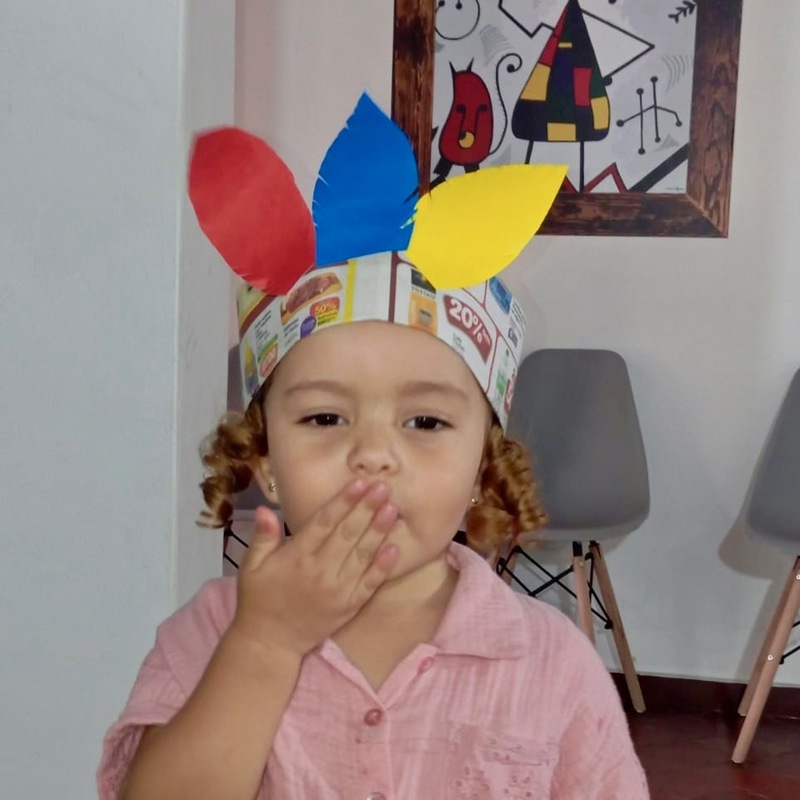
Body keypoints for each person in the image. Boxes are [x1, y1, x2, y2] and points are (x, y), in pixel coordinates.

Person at [97, 95, 649, 800]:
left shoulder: (553, 665)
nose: (373, 454)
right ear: (265, 461)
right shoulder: (206, 634)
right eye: (326, 417)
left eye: (425, 422)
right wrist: (263, 646)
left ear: (482, 468)